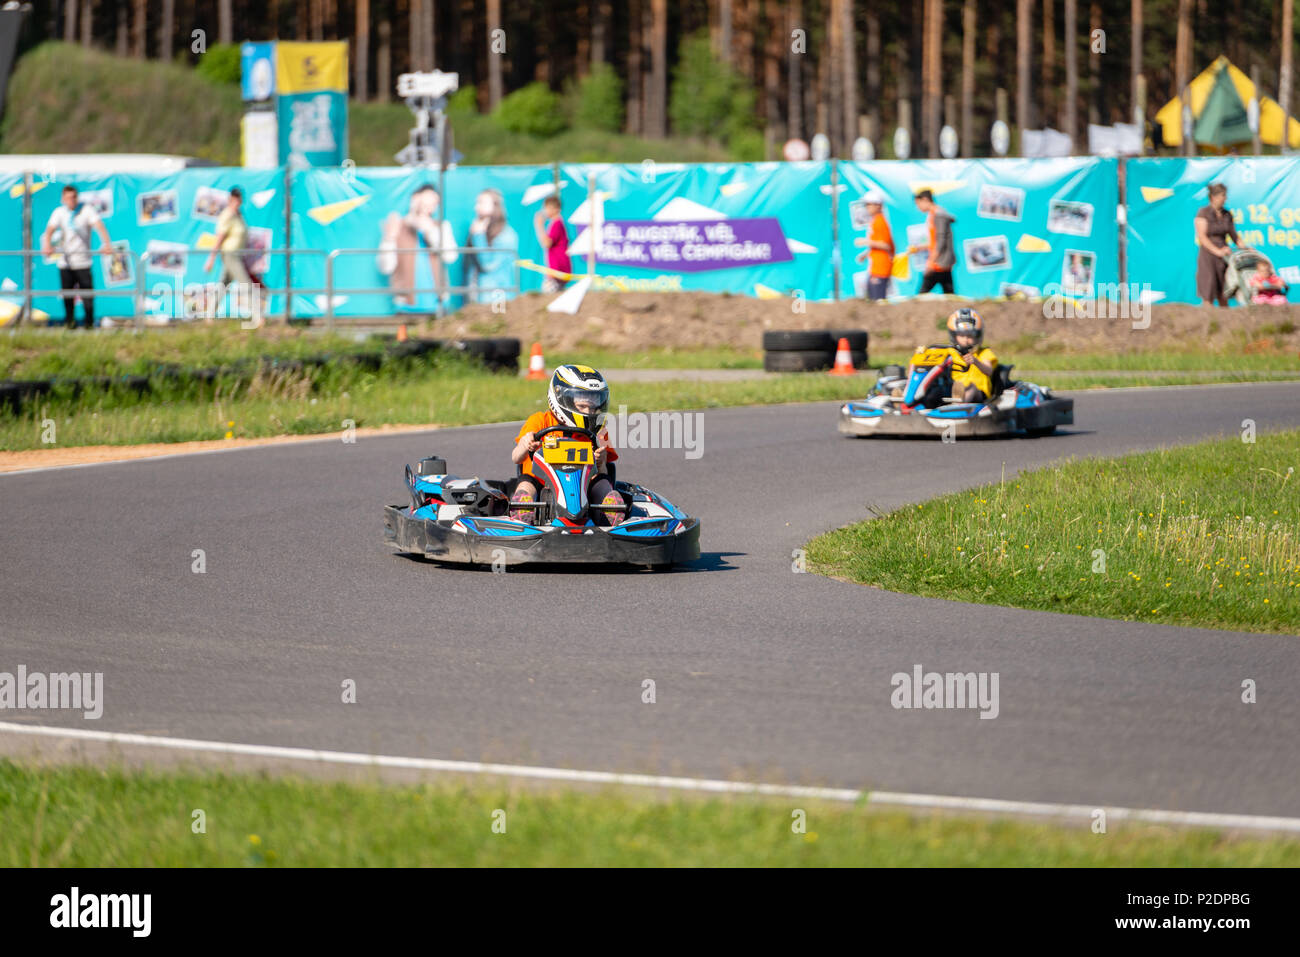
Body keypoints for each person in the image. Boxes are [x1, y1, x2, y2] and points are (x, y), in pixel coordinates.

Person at [509, 364, 623, 526]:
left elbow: (606, 472)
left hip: (584, 486)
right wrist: (526, 444)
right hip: (541, 483)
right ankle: (523, 510)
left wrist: (601, 461)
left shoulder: (599, 431)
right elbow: (516, 457)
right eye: (582, 406)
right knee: (526, 483)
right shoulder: (540, 421)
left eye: (592, 407)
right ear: (562, 398)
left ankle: (611, 512)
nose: (589, 412)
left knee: (603, 483)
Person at [40, 185, 112, 330]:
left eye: (73, 197)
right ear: (63, 199)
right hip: (65, 262)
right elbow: (49, 230)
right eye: (67, 198)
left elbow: (99, 225)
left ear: (77, 197)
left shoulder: (86, 210)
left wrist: (107, 244)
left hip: (83, 261)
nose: (71, 201)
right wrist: (47, 246)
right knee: (67, 296)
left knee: (87, 296)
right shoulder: (59, 212)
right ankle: (69, 324)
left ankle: (89, 325)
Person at [377, 184, 459, 310]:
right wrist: (389, 238)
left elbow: (450, 257)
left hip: (438, 303)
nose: (429, 206)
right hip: (405, 304)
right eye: (425, 200)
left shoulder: (441, 226)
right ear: (414, 199)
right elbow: (386, 268)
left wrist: (429, 230)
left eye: (434, 202)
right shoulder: (397, 225)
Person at [204, 187, 264, 326]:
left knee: (224, 284)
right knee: (245, 283)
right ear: (230, 199)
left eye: (239, 199)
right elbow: (219, 237)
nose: (237, 201)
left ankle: (209, 315)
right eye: (235, 199)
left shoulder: (239, 214)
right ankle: (257, 316)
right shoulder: (228, 215)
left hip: (237, 254)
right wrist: (211, 258)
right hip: (230, 254)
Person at [466, 188, 519, 304]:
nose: (476, 207)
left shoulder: (506, 235)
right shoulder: (480, 232)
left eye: (481, 202)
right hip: (480, 298)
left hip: (497, 300)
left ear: (495, 205)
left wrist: (478, 237)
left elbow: (488, 265)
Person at [1195, 182, 1238, 307]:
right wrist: (1217, 251)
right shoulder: (1203, 212)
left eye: (1225, 196)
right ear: (1213, 197)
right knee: (1208, 295)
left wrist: (1246, 248)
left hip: (1224, 258)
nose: (1225, 199)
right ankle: (1209, 325)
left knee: (1224, 293)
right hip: (1208, 257)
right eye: (1222, 196)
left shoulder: (1227, 214)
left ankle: (1227, 325)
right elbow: (1202, 237)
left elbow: (1234, 236)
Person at [907, 188, 957, 295]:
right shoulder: (933, 214)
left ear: (925, 199)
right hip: (941, 262)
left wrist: (931, 262)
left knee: (921, 296)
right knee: (949, 293)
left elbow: (940, 241)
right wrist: (919, 248)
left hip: (939, 263)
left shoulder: (938, 215)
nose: (918, 207)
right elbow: (934, 241)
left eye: (918, 203)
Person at [946, 308, 997, 403]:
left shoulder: (983, 353)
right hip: (954, 388)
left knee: (970, 387)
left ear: (977, 336)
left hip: (979, 392)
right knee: (953, 386)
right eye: (961, 335)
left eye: (969, 336)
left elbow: (989, 371)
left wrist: (976, 361)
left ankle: (959, 407)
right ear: (954, 335)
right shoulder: (950, 352)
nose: (965, 339)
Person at [853, 190, 895, 300]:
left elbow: (886, 245)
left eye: (869, 204)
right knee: (872, 301)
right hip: (875, 268)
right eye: (866, 204)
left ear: (878, 205)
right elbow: (878, 244)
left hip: (881, 269)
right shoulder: (876, 220)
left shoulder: (880, 221)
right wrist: (866, 254)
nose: (867, 207)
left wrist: (865, 241)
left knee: (878, 303)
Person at [534, 195, 571, 292]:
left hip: (558, 269)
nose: (545, 211)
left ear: (555, 209)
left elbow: (546, 243)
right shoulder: (556, 223)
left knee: (548, 295)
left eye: (546, 208)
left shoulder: (557, 224)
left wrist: (539, 225)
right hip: (557, 269)